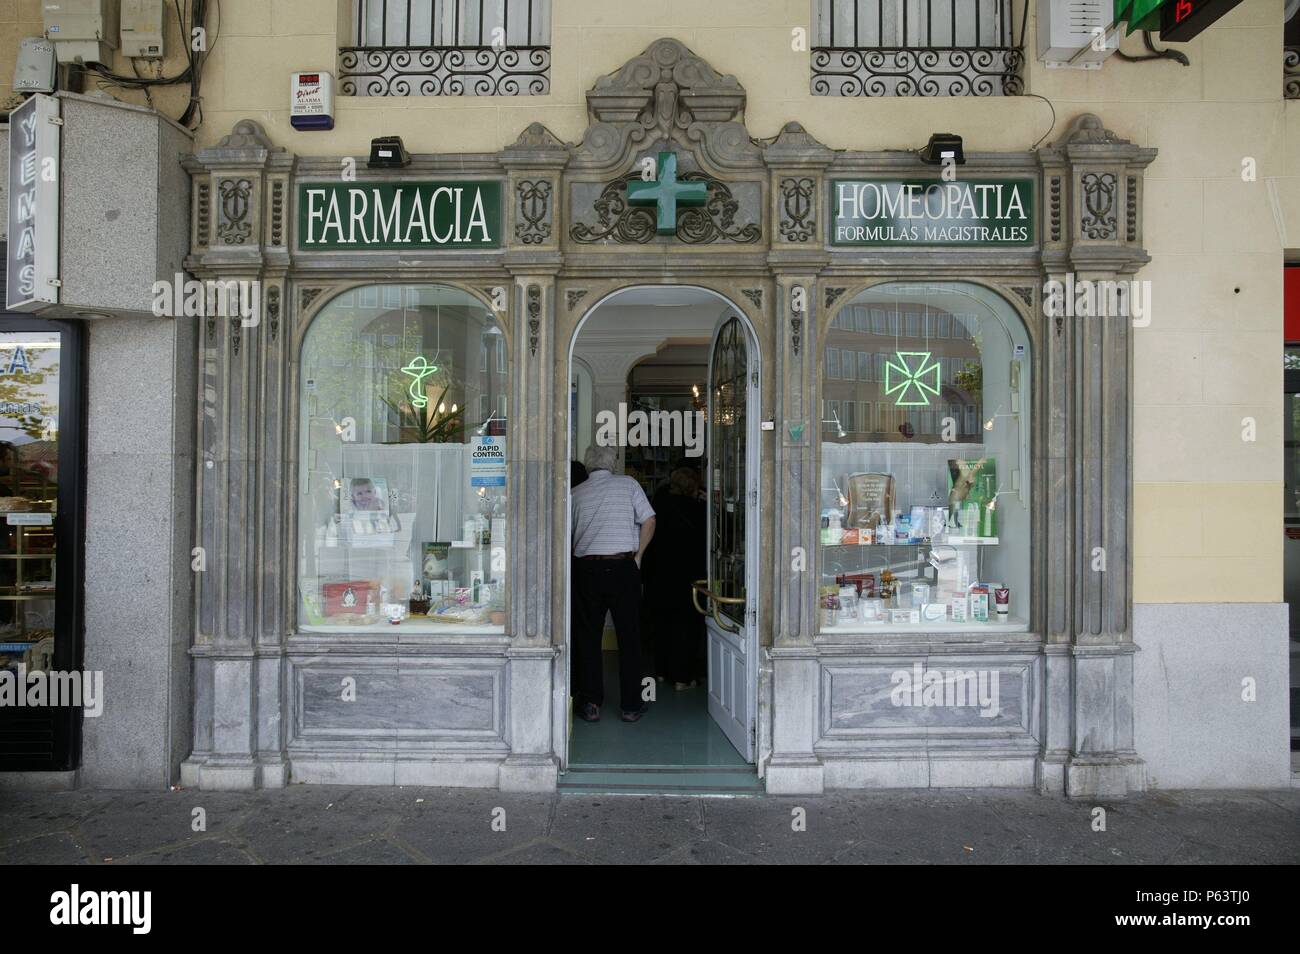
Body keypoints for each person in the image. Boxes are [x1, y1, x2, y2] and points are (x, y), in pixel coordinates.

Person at [570, 444, 655, 723]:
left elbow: (567, 536)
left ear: (588, 464)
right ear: (613, 463)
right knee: (629, 638)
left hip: (587, 570)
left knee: (588, 638)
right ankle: (631, 705)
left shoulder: (575, 493)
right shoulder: (628, 484)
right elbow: (649, 520)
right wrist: (639, 555)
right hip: (623, 567)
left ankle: (592, 703)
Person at [641, 466, 707, 688]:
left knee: (662, 624)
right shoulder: (699, 510)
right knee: (686, 628)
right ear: (693, 487)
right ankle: (682, 677)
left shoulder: (657, 507)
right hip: (688, 578)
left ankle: (660, 671)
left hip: (658, 576)